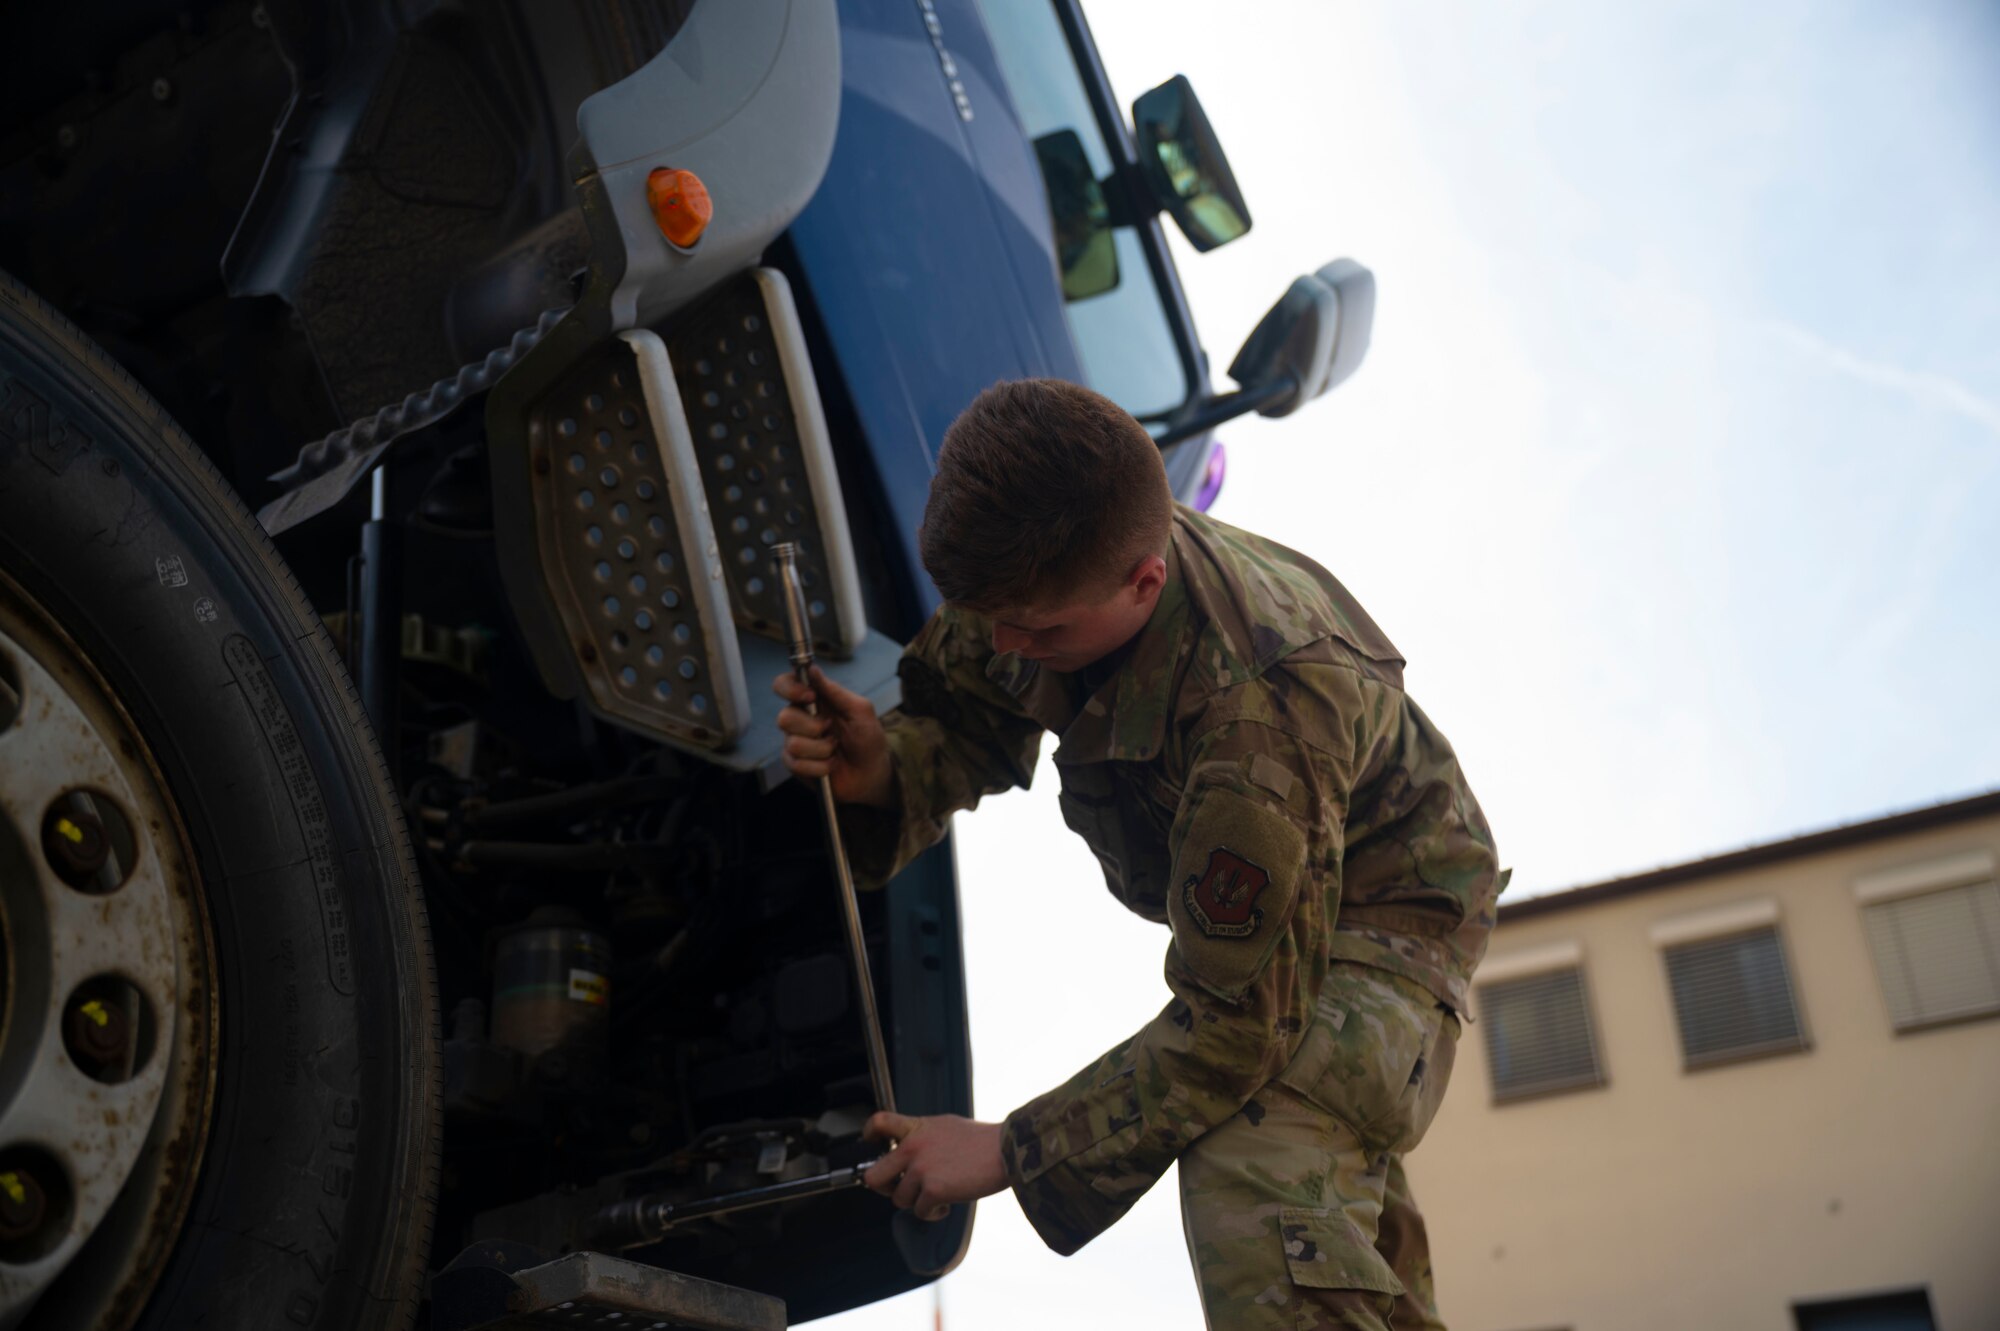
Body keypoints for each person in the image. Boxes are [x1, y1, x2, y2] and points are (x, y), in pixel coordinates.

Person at [774, 378, 1502, 1330]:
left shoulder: (1265, 710)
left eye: (1036, 632)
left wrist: (1007, 1148)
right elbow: (960, 723)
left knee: (1254, 1152)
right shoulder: (1023, 575)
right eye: (984, 617)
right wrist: (882, 766)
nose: (1004, 645)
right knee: (1332, 1239)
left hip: (1388, 918)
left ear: (1143, 584)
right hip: (1283, 910)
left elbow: (1238, 1027)